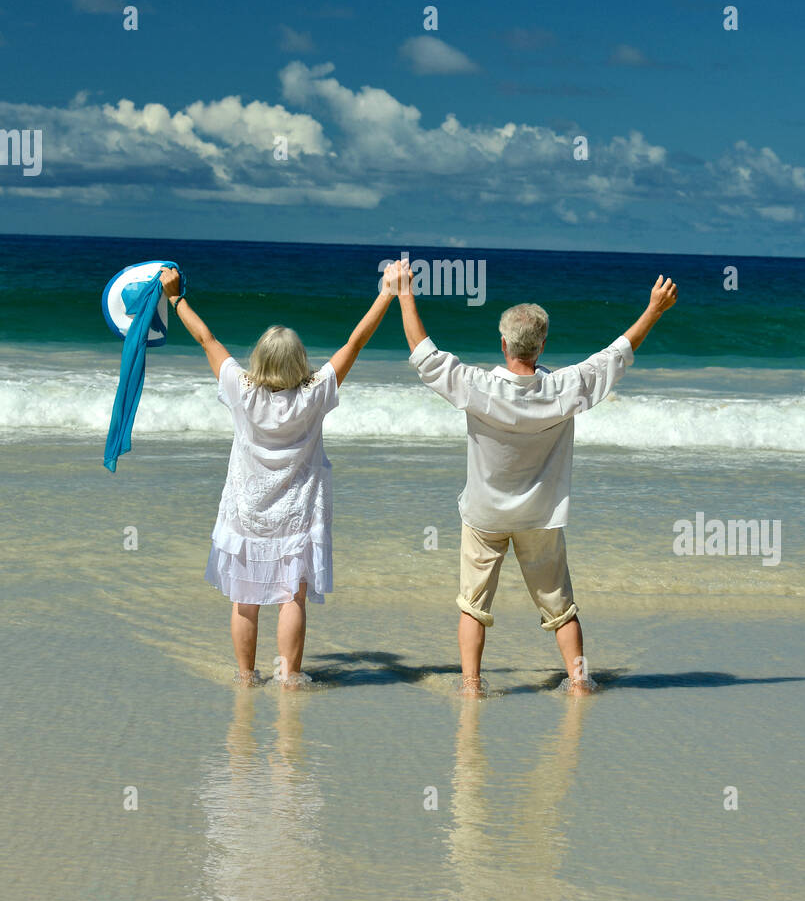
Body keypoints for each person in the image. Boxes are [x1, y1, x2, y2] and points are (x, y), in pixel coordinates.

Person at [395, 266, 678, 696]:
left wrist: (403, 294)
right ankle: (579, 681)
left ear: (504, 344)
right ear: (543, 344)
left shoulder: (479, 386)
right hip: (541, 516)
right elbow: (617, 354)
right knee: (561, 608)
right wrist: (654, 310)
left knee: (473, 605)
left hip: (485, 513)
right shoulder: (565, 387)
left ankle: (471, 685)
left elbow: (424, 355)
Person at [159, 263, 403, 687]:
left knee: (244, 600)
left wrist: (176, 298)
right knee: (293, 596)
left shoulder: (241, 388)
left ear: (260, 358)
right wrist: (388, 293)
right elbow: (355, 341)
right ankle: (289, 677)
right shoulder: (315, 393)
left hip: (245, 511)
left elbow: (206, 338)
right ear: (299, 361)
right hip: (296, 515)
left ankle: (245, 676)